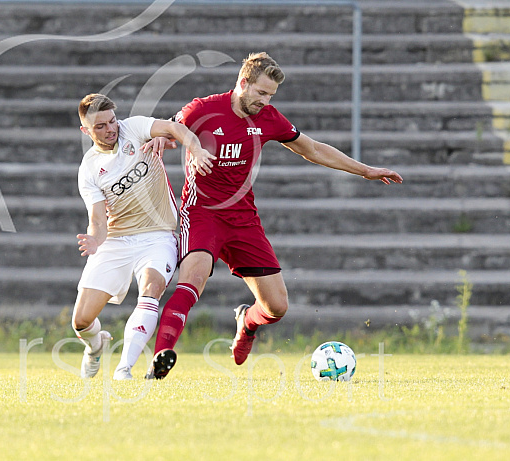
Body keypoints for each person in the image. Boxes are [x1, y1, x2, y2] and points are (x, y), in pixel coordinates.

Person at [145, 52, 403, 379]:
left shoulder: (268, 118)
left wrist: (364, 170)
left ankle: (246, 322)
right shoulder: (204, 109)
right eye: (261, 93)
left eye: (271, 96)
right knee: (193, 279)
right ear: (243, 83)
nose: (265, 101)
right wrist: (159, 138)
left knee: (277, 307)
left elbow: (312, 149)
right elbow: (167, 128)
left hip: (242, 219)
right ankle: (160, 359)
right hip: (202, 213)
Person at [73, 93, 214, 381]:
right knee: (81, 321)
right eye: (100, 126)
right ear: (85, 131)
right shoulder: (89, 168)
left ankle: (124, 369)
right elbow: (98, 220)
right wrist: (95, 240)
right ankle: (96, 345)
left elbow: (174, 128)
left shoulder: (133, 128)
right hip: (116, 240)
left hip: (157, 237)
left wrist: (196, 149)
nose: (111, 129)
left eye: (112, 120)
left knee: (152, 288)